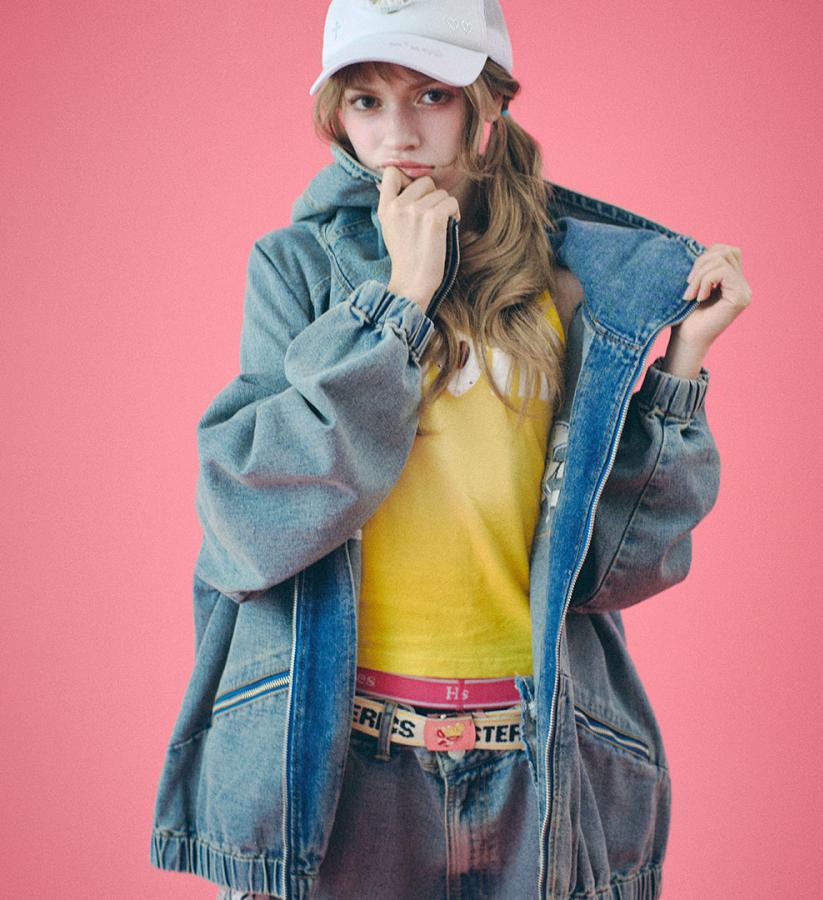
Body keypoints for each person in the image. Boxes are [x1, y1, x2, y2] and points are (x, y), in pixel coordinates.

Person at [149, 1, 752, 898]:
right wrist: (400, 300)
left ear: (489, 104)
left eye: (431, 94)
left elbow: (613, 569)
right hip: (344, 767)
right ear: (337, 116)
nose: (397, 133)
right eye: (366, 101)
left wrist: (683, 367)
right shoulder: (298, 270)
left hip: (531, 766)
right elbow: (250, 516)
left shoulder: (568, 284)